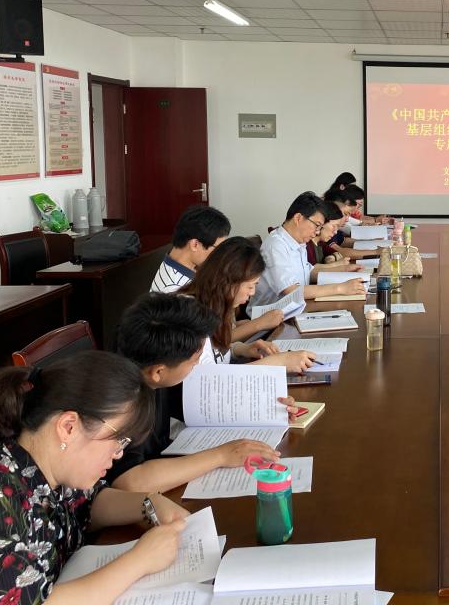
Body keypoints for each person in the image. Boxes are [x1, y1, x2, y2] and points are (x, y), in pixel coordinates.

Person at [0, 350, 188, 604]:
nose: (118, 454)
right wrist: (140, 562)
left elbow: (88, 504)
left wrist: (148, 503)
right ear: (68, 427)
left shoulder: (47, 466)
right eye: (119, 439)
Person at [109, 293, 284, 494]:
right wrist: (222, 456)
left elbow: (205, 403)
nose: (198, 365)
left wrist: (271, 406)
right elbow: (129, 481)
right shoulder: (121, 403)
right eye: (194, 361)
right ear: (158, 372)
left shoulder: (152, 363)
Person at [180, 237, 318, 370]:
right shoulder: (190, 313)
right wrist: (279, 362)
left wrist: (241, 349)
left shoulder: (217, 304)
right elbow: (208, 377)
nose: (252, 293)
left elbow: (214, 351)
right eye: (250, 286)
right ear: (229, 281)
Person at [253, 193, 366, 307]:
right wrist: (340, 288)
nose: (317, 232)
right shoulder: (276, 245)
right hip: (272, 313)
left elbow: (308, 273)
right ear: (298, 218)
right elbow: (291, 291)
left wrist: (344, 269)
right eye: (317, 225)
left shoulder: (299, 241)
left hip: (297, 308)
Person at [150, 205, 231, 293]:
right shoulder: (176, 291)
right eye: (217, 249)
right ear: (195, 244)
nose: (219, 255)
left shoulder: (176, 259)